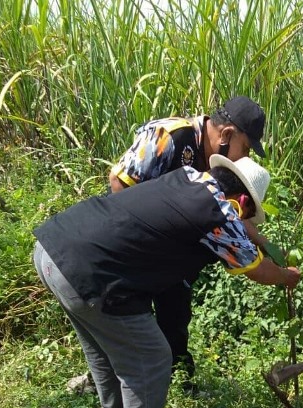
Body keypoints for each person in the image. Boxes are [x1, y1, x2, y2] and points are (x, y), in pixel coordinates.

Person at [33, 155, 301, 408]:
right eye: (249, 213)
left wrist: (261, 239)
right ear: (242, 201)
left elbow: (234, 225)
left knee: (103, 351)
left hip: (53, 250)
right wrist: (286, 276)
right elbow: (257, 270)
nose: (246, 221)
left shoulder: (189, 177)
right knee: (151, 357)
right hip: (90, 273)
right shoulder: (218, 214)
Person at [108, 95, 281, 378]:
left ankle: (178, 376)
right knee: (129, 319)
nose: (244, 159)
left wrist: (261, 241)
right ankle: (129, 381)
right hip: (135, 246)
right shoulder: (171, 136)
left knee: (176, 314)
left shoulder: (216, 161)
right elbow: (120, 182)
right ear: (227, 134)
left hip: (171, 255)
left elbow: (227, 211)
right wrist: (147, 242)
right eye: (246, 149)